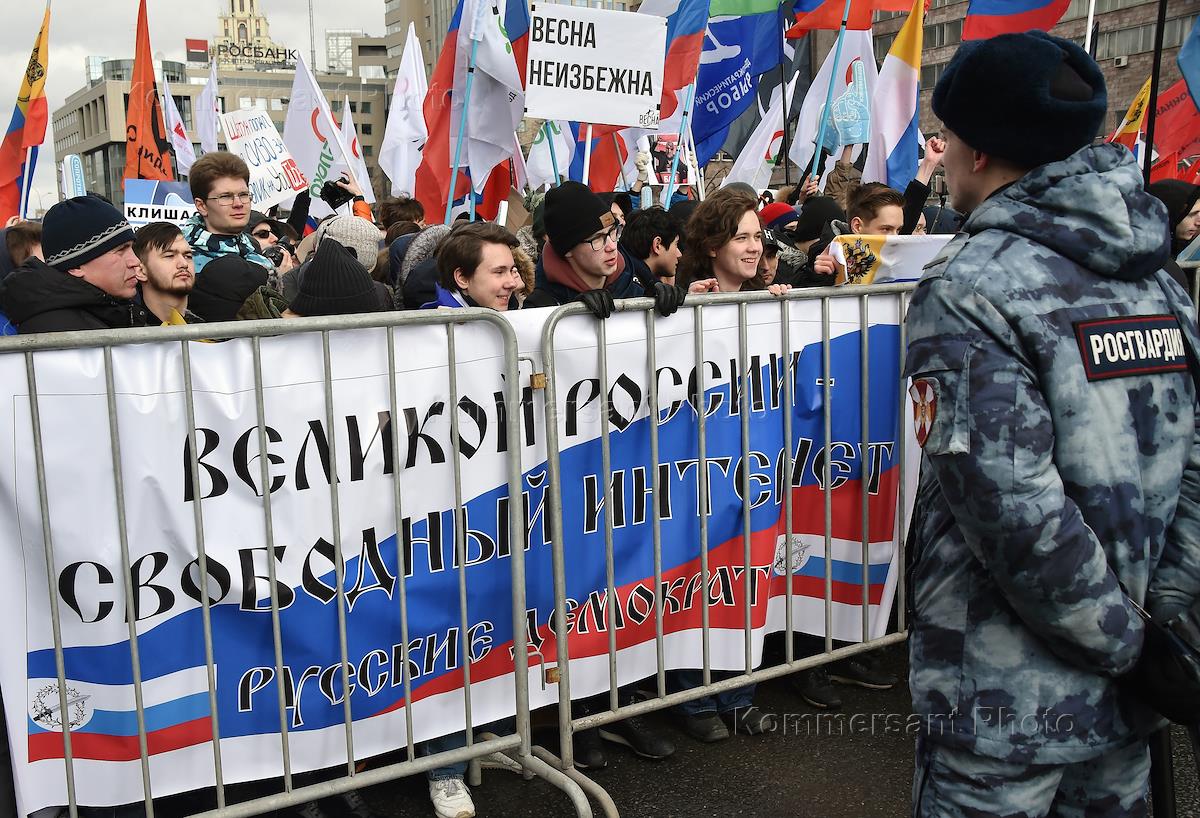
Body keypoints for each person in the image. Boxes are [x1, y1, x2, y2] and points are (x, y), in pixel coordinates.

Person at [905, 31, 1200, 817]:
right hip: (1131, 679)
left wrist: (1125, 640)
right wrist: (1156, 624)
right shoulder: (1156, 276)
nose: (944, 153)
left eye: (948, 135)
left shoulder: (969, 287)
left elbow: (1011, 511)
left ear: (979, 149)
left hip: (1004, 704)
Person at [670, 189, 787, 742]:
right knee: (699, 580)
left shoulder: (767, 303)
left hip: (754, 464)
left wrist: (786, 305)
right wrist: (678, 304)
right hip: (694, 468)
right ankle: (694, 700)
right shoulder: (683, 302)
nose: (753, 247)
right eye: (741, 237)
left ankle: (739, 694)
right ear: (713, 244)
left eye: (757, 236)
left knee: (747, 578)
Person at [525, 181, 685, 318]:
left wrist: (661, 305)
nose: (611, 246)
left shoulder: (637, 284)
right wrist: (575, 315)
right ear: (568, 249)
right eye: (597, 239)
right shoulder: (541, 308)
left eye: (613, 232)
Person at [0, 195, 148, 333]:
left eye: (131, 248)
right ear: (75, 266)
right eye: (121, 250)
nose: (135, 261)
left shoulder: (102, 313)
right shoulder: (61, 330)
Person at [184, 151, 273, 277]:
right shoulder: (182, 261)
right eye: (225, 197)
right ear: (202, 206)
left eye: (243, 195)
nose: (238, 204)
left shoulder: (253, 248)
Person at [132, 221, 200, 324]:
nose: (184, 264)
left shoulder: (213, 328)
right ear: (141, 271)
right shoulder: (122, 327)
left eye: (188, 256)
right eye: (169, 256)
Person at [619, 206, 683, 287]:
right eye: (676, 244)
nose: (679, 254)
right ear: (657, 245)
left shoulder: (625, 275)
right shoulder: (634, 289)